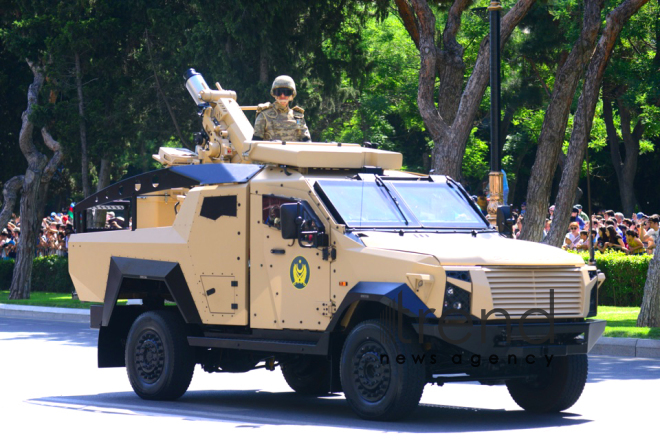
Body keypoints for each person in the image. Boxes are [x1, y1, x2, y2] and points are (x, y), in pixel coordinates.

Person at [252, 75, 311, 142]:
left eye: (287, 92)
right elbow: (255, 143)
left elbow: (306, 141)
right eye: (278, 92)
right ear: (274, 94)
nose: (282, 96)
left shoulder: (298, 117)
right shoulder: (264, 115)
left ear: (292, 95)